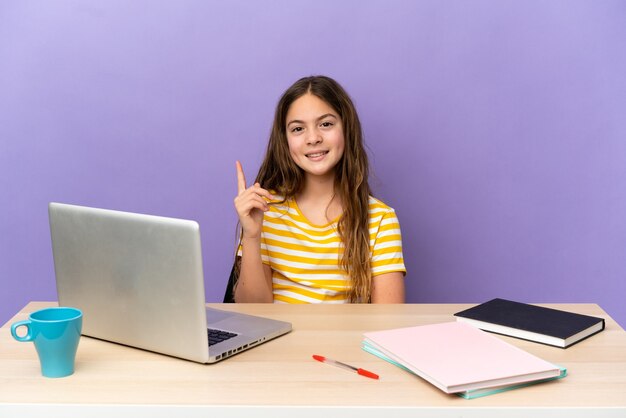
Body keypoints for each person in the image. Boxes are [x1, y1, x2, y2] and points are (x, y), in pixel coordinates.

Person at [232, 75, 405, 303]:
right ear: (285, 140)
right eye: (297, 129)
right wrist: (252, 237)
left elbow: (387, 323)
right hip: (279, 339)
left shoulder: (380, 220)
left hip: (345, 340)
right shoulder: (265, 211)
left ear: (346, 129)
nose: (313, 138)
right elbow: (251, 314)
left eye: (326, 124)